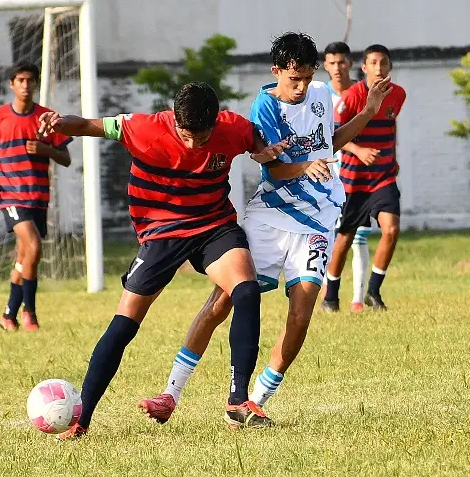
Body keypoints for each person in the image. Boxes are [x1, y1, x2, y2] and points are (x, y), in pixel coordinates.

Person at [138, 32, 392, 427]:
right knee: (223, 301)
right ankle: (171, 392)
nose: (302, 87)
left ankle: (252, 401)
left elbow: (329, 143)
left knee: (302, 312)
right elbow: (273, 167)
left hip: (319, 218)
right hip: (271, 217)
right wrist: (305, 166)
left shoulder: (322, 94)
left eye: (307, 78)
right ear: (277, 71)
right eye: (295, 79)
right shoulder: (264, 107)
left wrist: (368, 112)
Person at [38, 81, 314, 439]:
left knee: (245, 291)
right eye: (187, 135)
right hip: (161, 233)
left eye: (202, 136)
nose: (194, 143)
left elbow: (259, 150)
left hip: (213, 225)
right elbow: (89, 125)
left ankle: (238, 400)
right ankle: (82, 419)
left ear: (215, 123)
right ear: (175, 120)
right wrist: (60, 124)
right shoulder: (143, 127)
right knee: (124, 326)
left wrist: (267, 153)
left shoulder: (233, 128)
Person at [0, 62, 73, 332]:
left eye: (30, 80)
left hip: (38, 196)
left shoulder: (47, 117)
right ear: (11, 84)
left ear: (35, 83)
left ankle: (8, 315)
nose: (25, 85)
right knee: (35, 246)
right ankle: (30, 313)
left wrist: (44, 149)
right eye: (20, 80)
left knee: (25, 256)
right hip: (10, 195)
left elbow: (66, 158)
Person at [322, 44, 407, 312]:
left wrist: (393, 157)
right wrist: (358, 149)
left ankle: (372, 292)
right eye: (373, 63)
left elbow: (391, 128)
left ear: (390, 67)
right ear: (364, 67)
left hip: (383, 177)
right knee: (345, 238)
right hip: (354, 181)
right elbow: (333, 138)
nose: (379, 68)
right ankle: (331, 296)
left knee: (391, 230)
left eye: (383, 63)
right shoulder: (353, 97)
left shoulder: (398, 95)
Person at [323, 41, 372, 313]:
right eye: (332, 62)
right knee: (333, 238)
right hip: (329, 178)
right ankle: (329, 294)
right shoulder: (319, 97)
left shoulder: (362, 94)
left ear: (350, 64)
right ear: (325, 66)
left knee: (360, 237)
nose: (337, 67)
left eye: (342, 62)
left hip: (359, 176)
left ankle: (358, 299)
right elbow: (330, 137)